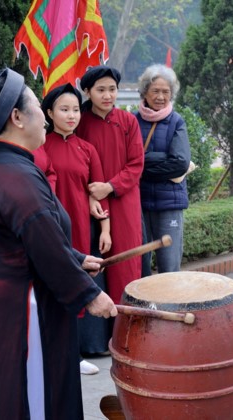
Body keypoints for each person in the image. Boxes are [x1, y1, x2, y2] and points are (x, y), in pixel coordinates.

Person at [0, 68, 117, 419]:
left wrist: (76, 257)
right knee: (31, 397)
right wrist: (90, 294)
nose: (46, 120)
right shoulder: (15, 176)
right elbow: (43, 244)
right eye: (36, 105)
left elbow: (33, 237)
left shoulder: (2, 164)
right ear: (16, 117)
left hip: (8, 302)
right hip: (24, 310)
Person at [41, 83, 112, 373]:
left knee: (76, 283)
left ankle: (73, 353)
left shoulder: (88, 149)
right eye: (63, 109)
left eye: (74, 110)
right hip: (49, 225)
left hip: (81, 227)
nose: (71, 115)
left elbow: (98, 191)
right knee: (52, 284)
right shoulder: (41, 145)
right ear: (49, 112)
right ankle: (50, 352)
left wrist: (105, 229)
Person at [76, 65, 145, 304]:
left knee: (125, 265)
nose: (108, 96)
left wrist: (110, 187)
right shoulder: (79, 122)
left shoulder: (128, 121)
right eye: (101, 90)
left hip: (123, 201)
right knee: (90, 259)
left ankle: (124, 325)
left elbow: (136, 164)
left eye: (112, 90)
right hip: (88, 200)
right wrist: (92, 194)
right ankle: (95, 332)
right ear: (87, 92)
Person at [135, 64, 191, 274]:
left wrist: (142, 165)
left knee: (169, 267)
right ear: (145, 93)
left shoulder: (176, 122)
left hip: (169, 204)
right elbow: (127, 161)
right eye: (155, 91)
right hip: (138, 202)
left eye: (165, 92)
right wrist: (159, 159)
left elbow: (179, 164)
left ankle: (169, 307)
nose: (160, 96)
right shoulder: (132, 120)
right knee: (140, 266)